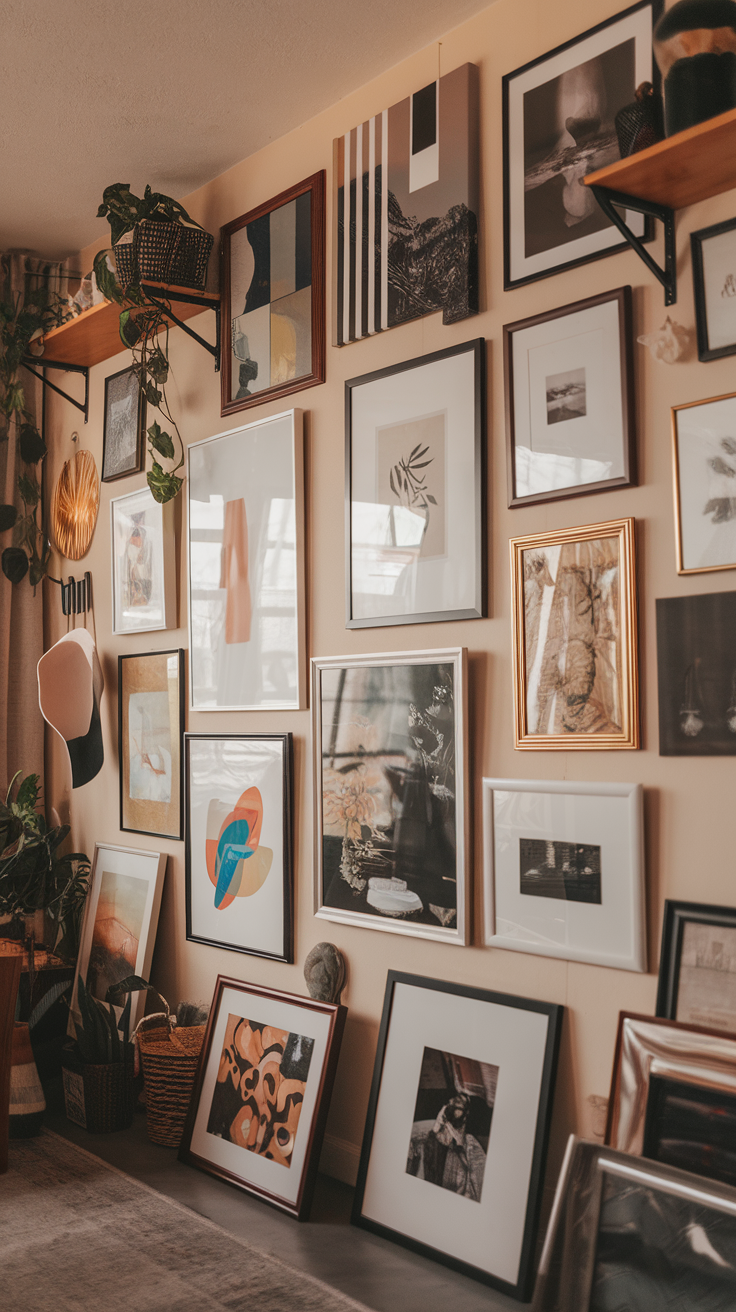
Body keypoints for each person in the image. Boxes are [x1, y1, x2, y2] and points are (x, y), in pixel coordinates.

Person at [407, 1091, 487, 1202]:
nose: (457, 1101)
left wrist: (450, 1128)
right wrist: (439, 1125)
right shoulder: (445, 1113)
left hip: (450, 1153)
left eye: (462, 1102)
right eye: (456, 1100)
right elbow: (433, 1133)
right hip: (436, 1147)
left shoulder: (462, 1128)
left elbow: (460, 1142)